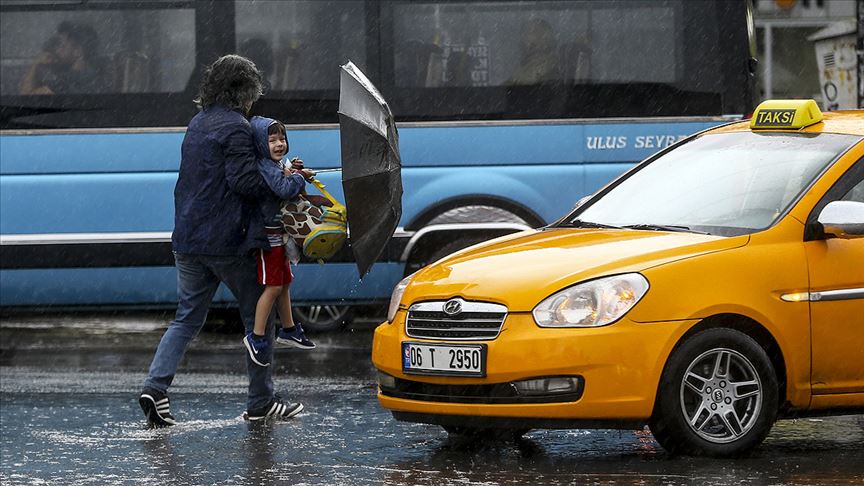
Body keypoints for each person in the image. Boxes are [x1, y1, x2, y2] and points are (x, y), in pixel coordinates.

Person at [139, 54, 303, 427]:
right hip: (226, 240)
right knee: (258, 316)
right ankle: (261, 401)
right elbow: (244, 182)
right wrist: (285, 180)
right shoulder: (237, 127)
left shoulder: (197, 123)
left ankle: (155, 387)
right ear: (244, 91)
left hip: (188, 237)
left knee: (186, 319)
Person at [243, 116, 317, 367]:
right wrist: (299, 177)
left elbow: (284, 179)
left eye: (282, 139)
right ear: (261, 145)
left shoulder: (276, 163)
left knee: (284, 283)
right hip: (269, 238)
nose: (279, 144)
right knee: (273, 287)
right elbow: (283, 189)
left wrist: (294, 170)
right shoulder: (265, 165)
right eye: (272, 140)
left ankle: (289, 329)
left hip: (279, 235)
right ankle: (256, 336)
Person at [19, 21, 109, 95]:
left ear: (78, 51)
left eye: (62, 46)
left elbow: (25, 96)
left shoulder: (67, 81)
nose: (57, 51)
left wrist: (36, 63)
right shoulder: (95, 75)